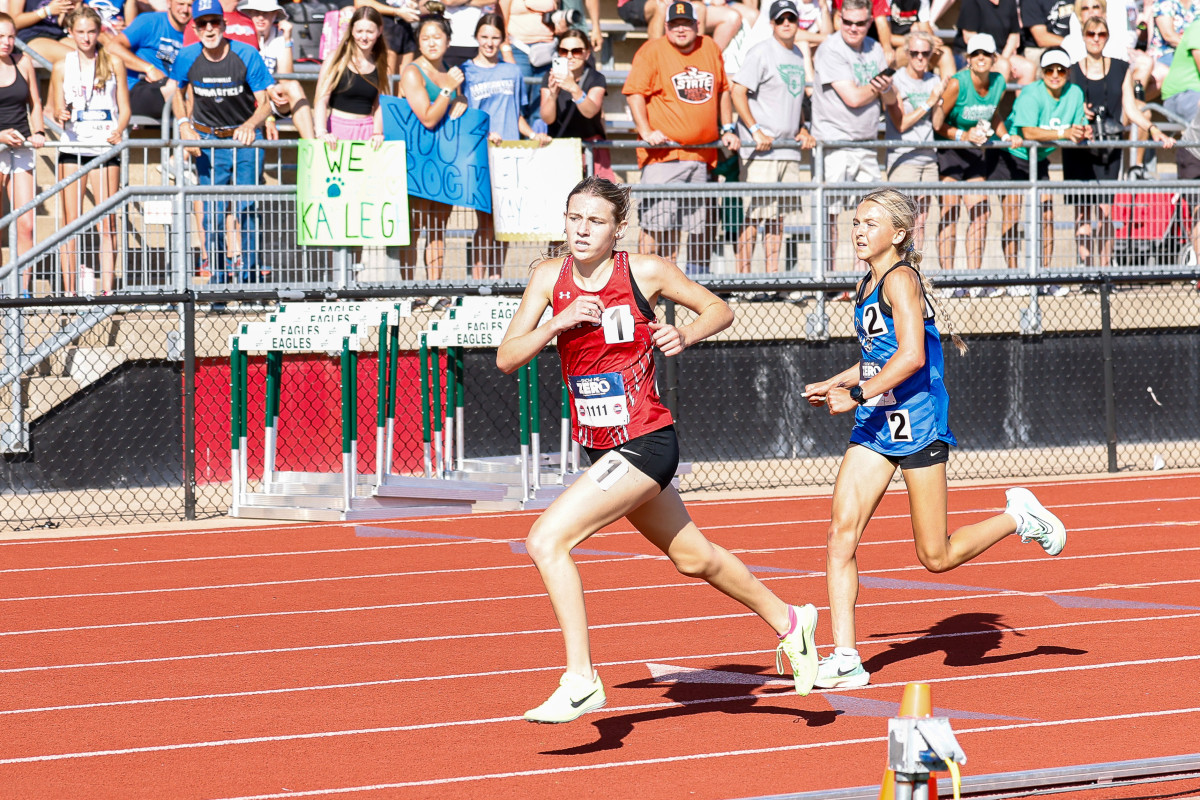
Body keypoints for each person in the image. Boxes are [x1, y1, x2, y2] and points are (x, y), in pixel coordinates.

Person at [497, 176, 820, 723]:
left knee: (547, 540)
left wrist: (686, 335)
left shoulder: (646, 271)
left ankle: (581, 680)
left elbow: (719, 308)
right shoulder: (548, 277)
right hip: (602, 447)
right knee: (693, 557)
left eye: (595, 221)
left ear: (618, 228)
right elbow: (508, 357)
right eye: (575, 217)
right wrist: (558, 321)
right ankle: (791, 621)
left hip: (647, 441)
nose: (582, 229)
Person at [802, 187, 1067, 689]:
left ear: (898, 234)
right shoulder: (866, 283)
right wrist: (838, 382)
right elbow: (880, 357)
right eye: (856, 222)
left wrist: (856, 394)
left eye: (870, 223)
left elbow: (912, 359)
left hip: (916, 422)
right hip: (876, 423)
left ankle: (1018, 517)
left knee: (936, 556)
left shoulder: (902, 280)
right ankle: (845, 656)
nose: (858, 231)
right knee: (841, 534)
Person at [622, 0, 740, 273]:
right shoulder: (652, 50)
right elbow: (635, 93)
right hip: (664, 156)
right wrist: (646, 131)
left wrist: (727, 127)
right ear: (666, 26)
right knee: (656, 226)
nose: (681, 29)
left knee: (699, 228)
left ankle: (695, 285)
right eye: (675, 24)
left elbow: (722, 88)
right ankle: (646, 285)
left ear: (697, 25)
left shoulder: (709, 47)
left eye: (686, 23)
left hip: (701, 156)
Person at [170, 0, 274, 283]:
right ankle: (217, 280)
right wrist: (184, 126)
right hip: (208, 141)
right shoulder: (187, 56)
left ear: (224, 25)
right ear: (195, 27)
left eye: (214, 22)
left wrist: (251, 125)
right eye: (202, 23)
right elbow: (175, 91)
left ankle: (251, 280)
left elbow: (266, 103)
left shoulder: (246, 53)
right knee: (213, 215)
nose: (209, 28)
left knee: (247, 210)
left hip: (245, 141)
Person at [810, 0, 893, 289]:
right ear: (838, 19)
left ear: (870, 21)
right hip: (834, 144)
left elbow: (889, 94)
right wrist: (885, 79)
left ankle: (867, 283)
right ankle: (828, 284)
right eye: (847, 22)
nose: (853, 28)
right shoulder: (830, 48)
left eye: (859, 23)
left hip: (867, 145)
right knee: (829, 215)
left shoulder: (875, 47)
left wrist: (888, 81)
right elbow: (854, 97)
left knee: (873, 218)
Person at [49, 5, 129, 295]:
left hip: (104, 147)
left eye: (91, 32)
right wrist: (60, 114)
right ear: (70, 32)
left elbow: (125, 109)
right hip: (74, 146)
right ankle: (70, 292)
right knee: (71, 222)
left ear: (99, 32)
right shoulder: (61, 66)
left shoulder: (113, 62)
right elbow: (52, 108)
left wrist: (119, 129)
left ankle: (107, 291)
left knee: (107, 221)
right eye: (80, 32)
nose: (85, 38)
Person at [463, 12, 550, 278]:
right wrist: (484, 132)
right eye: (484, 37)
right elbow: (465, 116)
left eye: (495, 38)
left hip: (509, 154)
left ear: (503, 40)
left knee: (504, 222)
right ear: (476, 37)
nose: (489, 43)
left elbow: (518, 115)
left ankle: (495, 277)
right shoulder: (466, 71)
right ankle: (479, 282)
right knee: (485, 222)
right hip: (481, 154)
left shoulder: (512, 71)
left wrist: (531, 134)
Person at [731, 0, 814, 275]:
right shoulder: (761, 52)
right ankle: (744, 281)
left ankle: (771, 277)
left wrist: (802, 128)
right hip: (762, 152)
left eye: (791, 18)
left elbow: (795, 98)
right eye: (781, 19)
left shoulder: (798, 56)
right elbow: (737, 91)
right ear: (772, 24)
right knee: (753, 218)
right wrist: (755, 129)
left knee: (778, 220)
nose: (787, 23)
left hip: (788, 151)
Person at [930, 33, 1020, 281]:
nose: (981, 58)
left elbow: (992, 114)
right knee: (950, 211)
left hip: (974, 148)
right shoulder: (958, 84)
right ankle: (948, 280)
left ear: (993, 59)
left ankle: (973, 278)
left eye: (986, 54)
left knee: (981, 212)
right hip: (949, 147)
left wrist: (1004, 136)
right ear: (968, 59)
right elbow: (937, 124)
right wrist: (963, 134)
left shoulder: (1000, 82)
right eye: (976, 54)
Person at [1003, 47, 1088, 283]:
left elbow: (1076, 128)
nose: (1055, 74)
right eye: (1049, 69)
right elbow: (1028, 131)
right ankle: (1013, 278)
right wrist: (1064, 131)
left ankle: (1045, 277)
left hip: (1039, 158)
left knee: (1047, 214)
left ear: (1068, 72)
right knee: (1012, 214)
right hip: (1014, 154)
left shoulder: (1075, 93)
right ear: (1042, 71)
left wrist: (1082, 131)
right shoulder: (1031, 92)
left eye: (1060, 69)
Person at [399, 11, 466, 287]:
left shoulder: (449, 70)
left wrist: (461, 98)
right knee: (414, 228)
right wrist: (450, 91)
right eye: (425, 38)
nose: (431, 42)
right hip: (416, 160)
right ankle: (407, 288)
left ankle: (434, 288)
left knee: (438, 228)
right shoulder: (412, 71)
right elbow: (427, 116)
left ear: (448, 41)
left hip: (443, 160)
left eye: (437, 37)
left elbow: (455, 108)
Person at [0, 12, 45, 297]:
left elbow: (36, 102)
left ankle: (21, 289)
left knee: (26, 223)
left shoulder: (23, 61)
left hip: (22, 147)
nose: (6, 42)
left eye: (11, 36)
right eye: (1, 37)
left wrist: (38, 131)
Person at [883, 30, 940, 250]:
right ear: (906, 53)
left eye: (924, 53)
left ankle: (915, 272)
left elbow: (936, 123)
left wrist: (941, 103)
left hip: (928, 158)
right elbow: (901, 124)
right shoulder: (896, 80)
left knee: (921, 223)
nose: (919, 57)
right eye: (914, 52)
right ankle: (899, 275)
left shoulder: (933, 79)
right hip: (903, 158)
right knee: (902, 224)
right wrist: (929, 102)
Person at [540, 27, 611, 179]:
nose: (570, 56)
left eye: (576, 51)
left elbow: (590, 111)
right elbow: (547, 118)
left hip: (590, 152)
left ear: (587, 54)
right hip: (561, 150)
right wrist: (553, 95)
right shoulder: (550, 76)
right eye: (564, 51)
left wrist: (574, 88)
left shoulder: (596, 78)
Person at [239, 0, 313, 139]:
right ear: (249, 14)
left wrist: (287, 40)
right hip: (247, 98)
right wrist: (268, 116)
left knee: (294, 86)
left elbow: (286, 78)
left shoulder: (279, 36)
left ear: (274, 15)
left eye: (266, 13)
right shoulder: (243, 35)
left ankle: (312, 146)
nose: (261, 17)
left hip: (274, 99)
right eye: (256, 13)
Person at [313, 5, 386, 145]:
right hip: (337, 131)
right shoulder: (336, 59)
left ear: (379, 31)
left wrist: (377, 133)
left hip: (367, 133)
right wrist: (322, 132)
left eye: (370, 31)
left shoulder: (380, 63)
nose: (364, 37)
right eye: (359, 31)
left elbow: (379, 105)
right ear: (351, 30)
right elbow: (321, 98)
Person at [105, 0, 189, 120]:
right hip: (138, 90)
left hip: (172, 90)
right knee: (176, 88)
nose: (185, 10)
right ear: (169, 3)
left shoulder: (193, 32)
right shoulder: (150, 21)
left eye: (190, 5)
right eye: (180, 4)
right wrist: (149, 68)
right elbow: (112, 47)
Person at [952, 0, 1035, 84]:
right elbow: (969, 37)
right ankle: (995, 97)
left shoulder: (1009, 2)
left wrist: (1004, 58)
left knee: (1028, 67)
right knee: (1003, 65)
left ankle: (1022, 97)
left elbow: (1014, 35)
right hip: (974, 54)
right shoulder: (971, 2)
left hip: (1002, 54)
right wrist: (996, 58)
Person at [11, 0, 79, 64]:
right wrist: (47, 11)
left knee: (87, 54)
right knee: (74, 58)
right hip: (31, 36)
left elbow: (60, 22)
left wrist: (72, 9)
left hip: (57, 33)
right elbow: (14, 22)